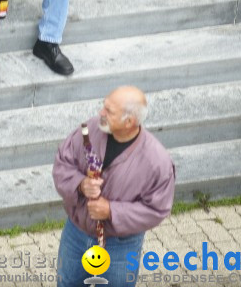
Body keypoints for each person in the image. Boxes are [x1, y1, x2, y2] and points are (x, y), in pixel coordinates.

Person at [52, 86, 175, 286]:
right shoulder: (90, 129)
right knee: (66, 282)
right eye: (104, 106)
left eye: (109, 111)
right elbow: (62, 164)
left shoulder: (156, 161)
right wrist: (81, 184)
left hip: (120, 246)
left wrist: (111, 210)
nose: (101, 113)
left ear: (129, 122)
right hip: (76, 233)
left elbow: (157, 209)